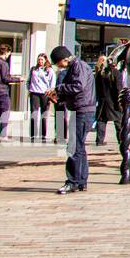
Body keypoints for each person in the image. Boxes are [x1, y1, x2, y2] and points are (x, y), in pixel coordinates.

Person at [49, 45, 95, 194]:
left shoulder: (78, 66)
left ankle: (72, 181)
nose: (59, 67)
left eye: (58, 63)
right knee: (79, 148)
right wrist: (59, 97)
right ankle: (81, 180)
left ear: (63, 59)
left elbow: (78, 86)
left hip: (82, 110)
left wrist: (59, 89)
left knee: (73, 148)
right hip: (81, 109)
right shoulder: (77, 66)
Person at [93, 55, 121, 146]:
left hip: (102, 101)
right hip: (114, 102)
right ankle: (121, 140)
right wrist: (120, 101)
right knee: (118, 121)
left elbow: (96, 88)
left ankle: (99, 141)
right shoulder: (116, 73)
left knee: (101, 120)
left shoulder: (100, 74)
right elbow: (118, 88)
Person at [28, 53, 54, 144]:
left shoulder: (49, 70)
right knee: (34, 114)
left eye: (42, 60)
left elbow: (52, 82)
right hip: (34, 93)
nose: (40, 61)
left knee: (44, 115)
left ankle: (43, 135)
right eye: (39, 59)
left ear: (45, 60)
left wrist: (50, 91)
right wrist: (29, 89)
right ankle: (33, 135)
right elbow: (29, 80)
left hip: (44, 94)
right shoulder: (33, 69)